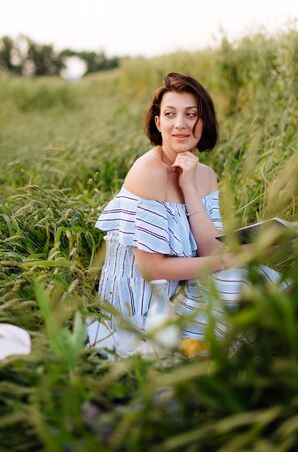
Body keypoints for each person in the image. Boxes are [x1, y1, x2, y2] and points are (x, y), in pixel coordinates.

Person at [88, 72, 285, 355]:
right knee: (238, 276)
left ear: (203, 122)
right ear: (159, 123)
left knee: (258, 275)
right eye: (170, 114)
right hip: (145, 303)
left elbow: (208, 248)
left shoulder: (204, 175)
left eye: (190, 114)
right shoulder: (148, 172)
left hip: (183, 284)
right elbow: (151, 269)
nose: (180, 124)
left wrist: (189, 187)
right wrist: (234, 258)